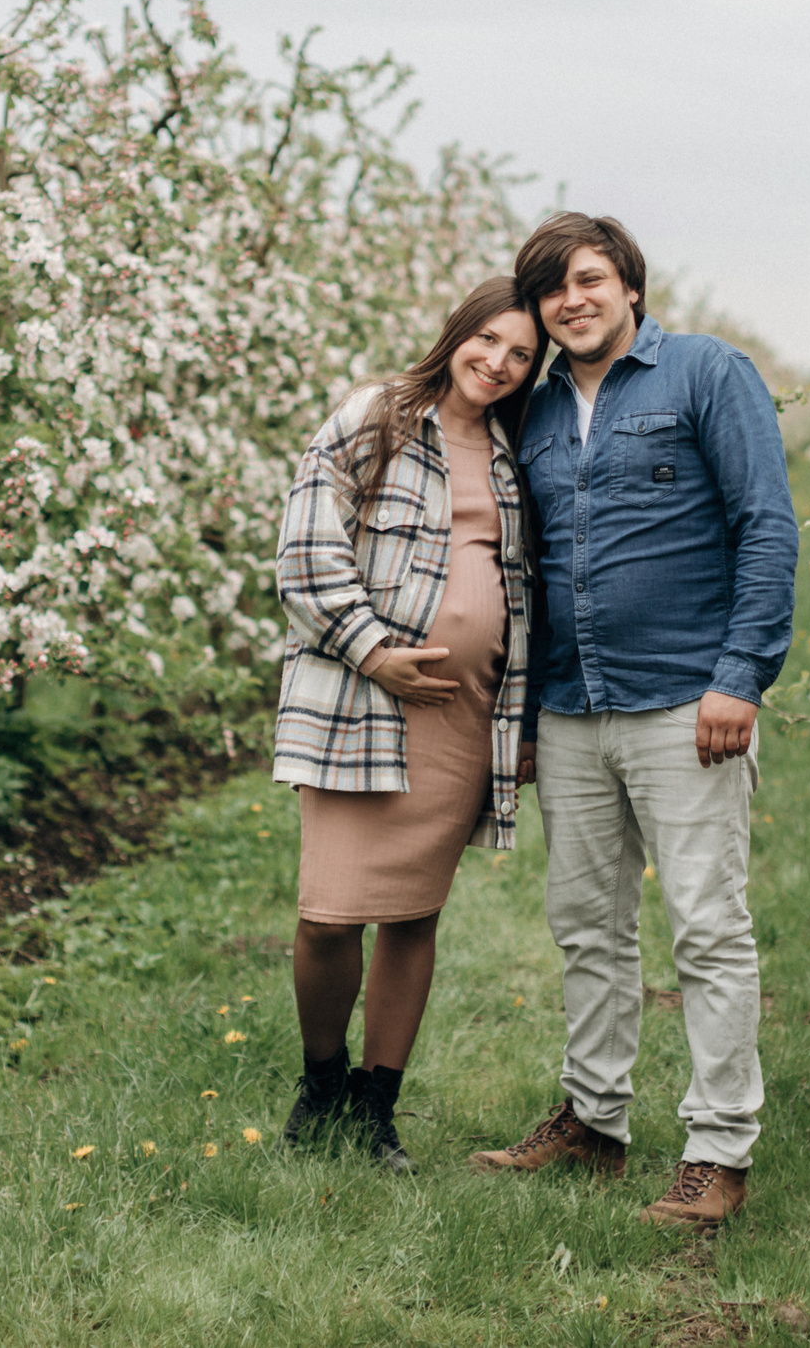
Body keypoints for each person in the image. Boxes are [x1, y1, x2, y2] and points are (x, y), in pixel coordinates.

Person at [469, 213, 796, 1229]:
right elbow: (524, 571)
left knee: (706, 927)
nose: (573, 300)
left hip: (683, 701)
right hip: (569, 710)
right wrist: (521, 717)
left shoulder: (704, 373)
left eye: (590, 279)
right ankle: (594, 1121)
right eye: (553, 288)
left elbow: (764, 524)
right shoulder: (527, 413)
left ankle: (718, 1149)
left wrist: (739, 676)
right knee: (587, 930)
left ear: (630, 289)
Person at [270, 277, 544, 1172]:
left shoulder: (514, 453)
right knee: (328, 915)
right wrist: (373, 650)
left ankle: (374, 1108)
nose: (498, 363)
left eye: (520, 355)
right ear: (458, 329)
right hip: (361, 702)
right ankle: (322, 1083)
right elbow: (306, 555)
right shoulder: (375, 416)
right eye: (489, 341)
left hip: (464, 717)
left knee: (414, 915)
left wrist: (525, 713)